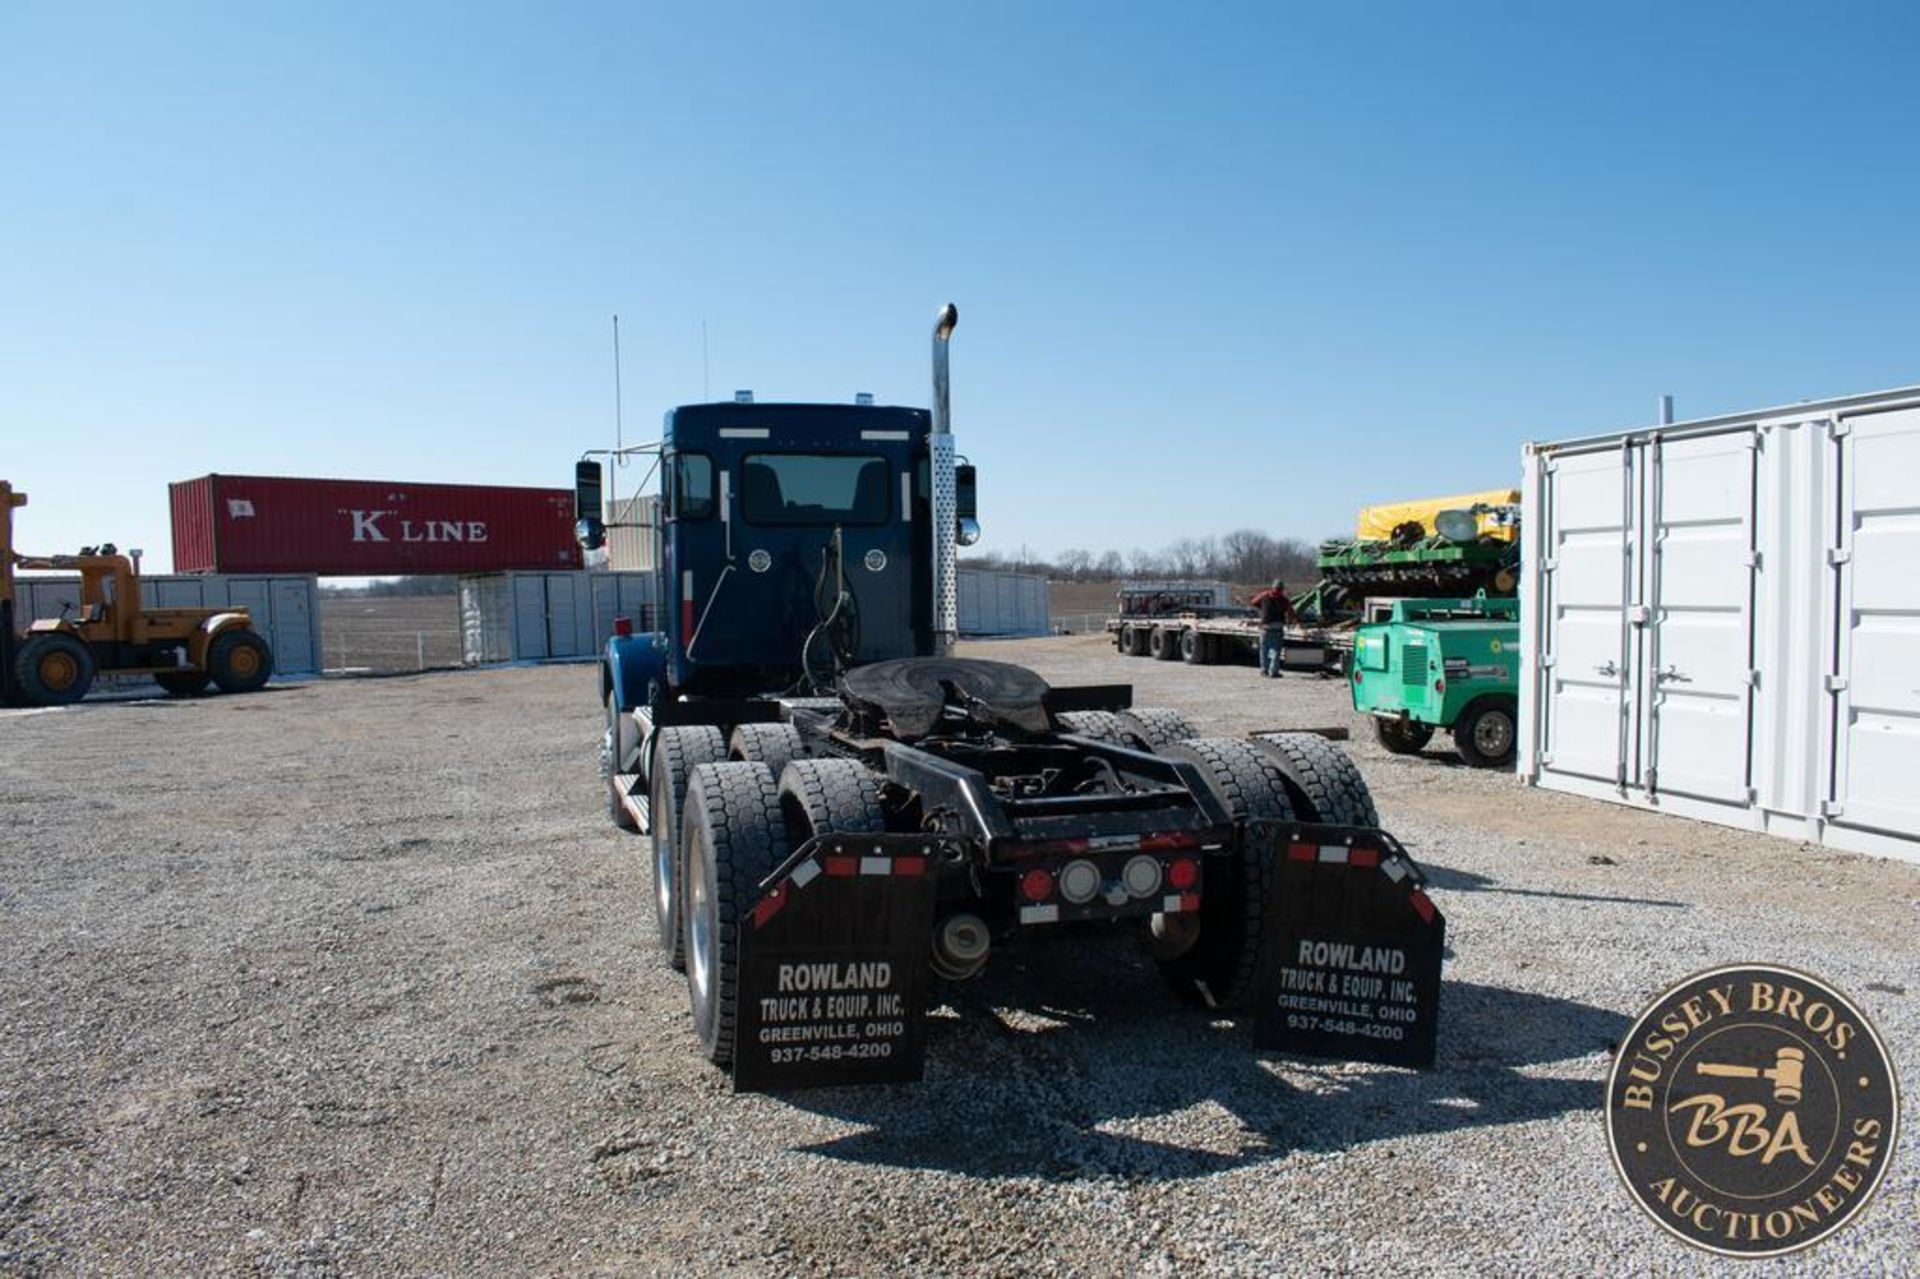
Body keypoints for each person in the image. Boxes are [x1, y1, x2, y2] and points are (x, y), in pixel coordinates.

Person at [1250, 579, 1296, 677]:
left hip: (1265, 627)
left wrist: (1262, 608)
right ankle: (1273, 671)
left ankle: (1264, 670)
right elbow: (1291, 612)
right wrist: (1292, 620)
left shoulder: (1265, 595)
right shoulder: (1284, 599)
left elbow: (1253, 602)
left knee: (1264, 650)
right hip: (1278, 627)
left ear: (1273, 587)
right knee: (1276, 650)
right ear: (1282, 589)